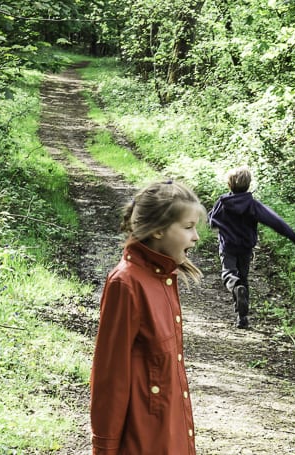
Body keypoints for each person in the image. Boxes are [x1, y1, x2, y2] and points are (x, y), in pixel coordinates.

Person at [90, 180, 204, 455]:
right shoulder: (126, 283)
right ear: (158, 231)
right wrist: (104, 448)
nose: (196, 237)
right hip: (141, 442)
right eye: (188, 227)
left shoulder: (162, 279)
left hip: (170, 436)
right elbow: (110, 375)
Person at [208, 166, 295, 328]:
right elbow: (272, 219)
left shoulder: (223, 202)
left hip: (227, 246)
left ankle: (235, 287)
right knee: (243, 278)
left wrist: (217, 224)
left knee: (229, 273)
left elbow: (212, 220)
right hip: (245, 247)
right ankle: (242, 318)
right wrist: (290, 233)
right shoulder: (252, 205)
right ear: (248, 184)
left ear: (229, 185)